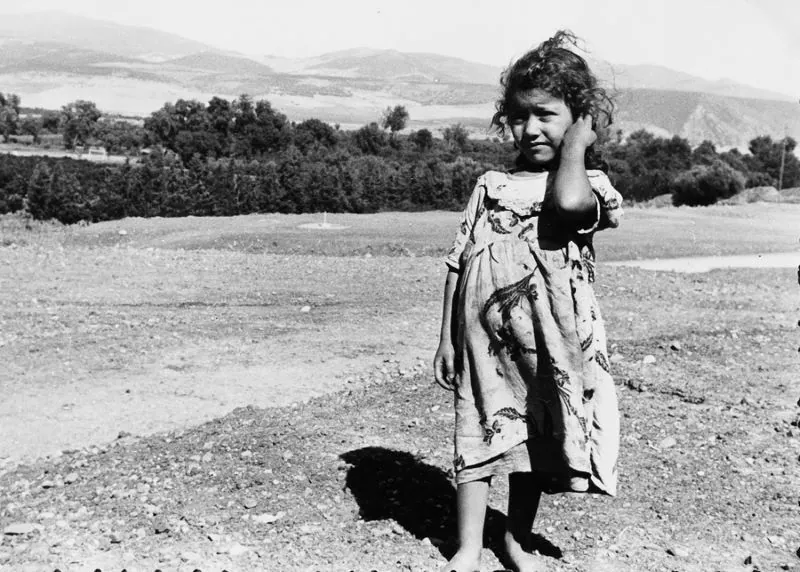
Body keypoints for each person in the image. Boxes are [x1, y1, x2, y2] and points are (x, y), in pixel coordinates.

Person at [433, 30, 624, 572]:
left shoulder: (589, 184)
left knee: (533, 445)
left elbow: (566, 202)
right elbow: (457, 263)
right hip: (483, 340)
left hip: (550, 340)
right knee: (475, 435)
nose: (530, 127)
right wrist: (446, 338)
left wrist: (577, 146)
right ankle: (468, 546)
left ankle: (515, 538)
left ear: (579, 116)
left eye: (546, 114)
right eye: (519, 116)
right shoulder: (489, 184)